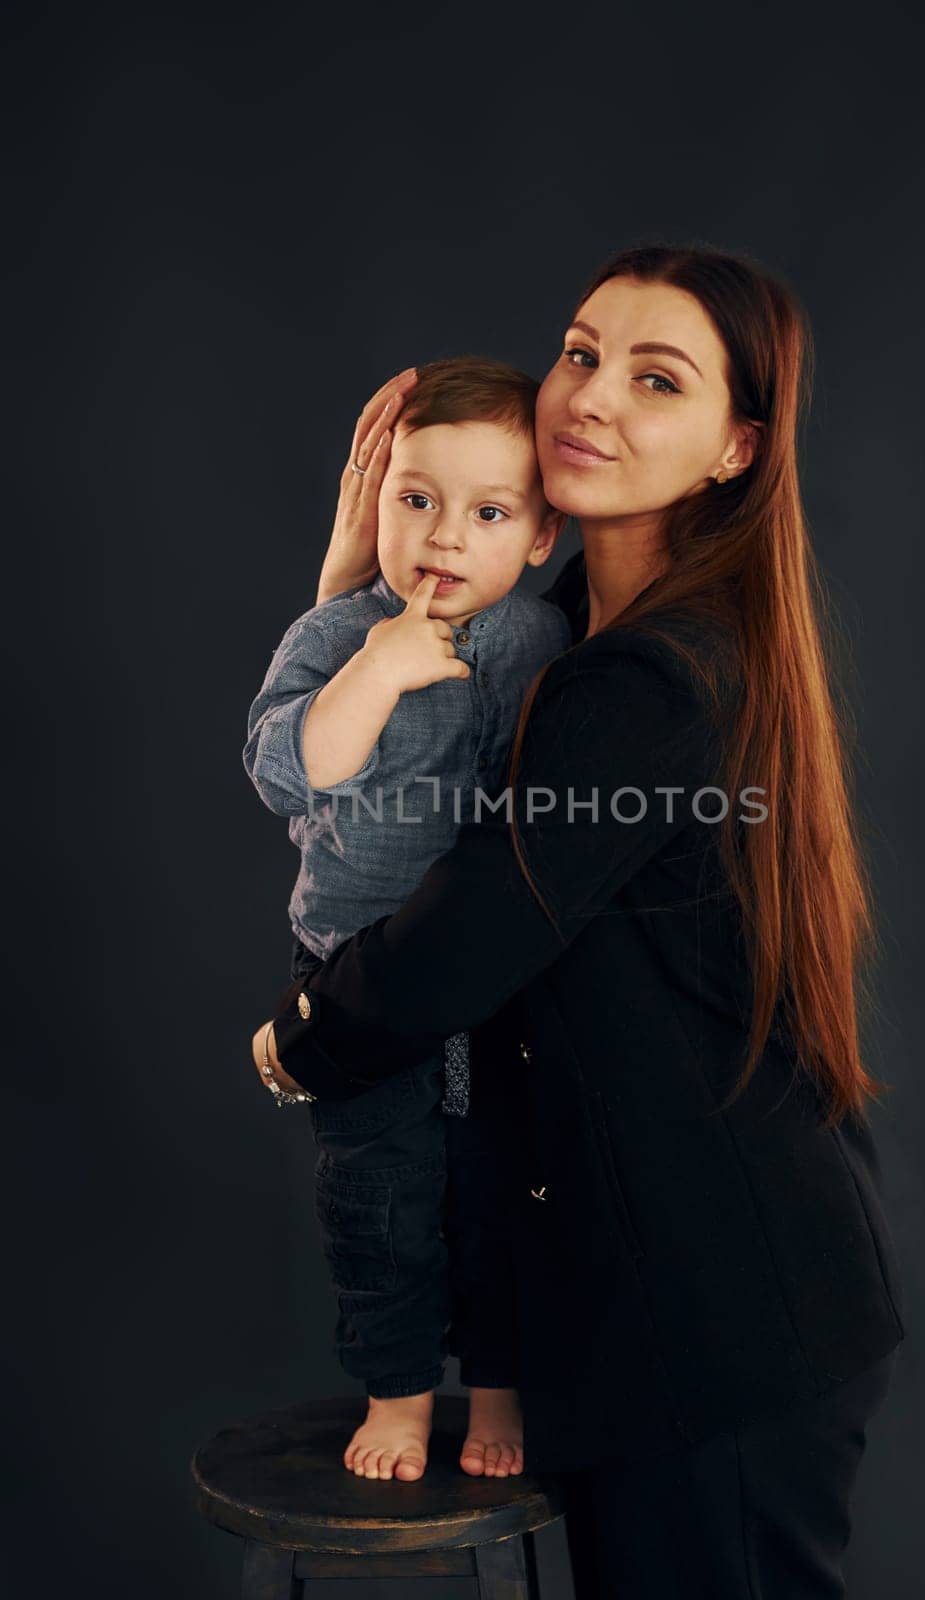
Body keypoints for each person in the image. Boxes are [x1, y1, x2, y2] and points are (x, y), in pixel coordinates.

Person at [250, 243, 908, 1598]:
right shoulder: (543, 637)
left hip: (719, 1317)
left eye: (652, 379)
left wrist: (293, 1044)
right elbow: (355, 778)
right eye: (579, 350)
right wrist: (351, 592)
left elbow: (460, 941)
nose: (588, 396)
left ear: (733, 448)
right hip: (642, 1315)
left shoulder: (649, 680)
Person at [243, 357, 570, 1483]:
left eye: (487, 512)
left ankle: (497, 1385)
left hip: (495, 979)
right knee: (379, 1199)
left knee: (499, 1186)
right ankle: (394, 1392)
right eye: (415, 499)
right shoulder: (335, 634)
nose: (442, 536)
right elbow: (290, 774)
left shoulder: (535, 642)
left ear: (537, 536)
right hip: (354, 973)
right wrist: (377, 669)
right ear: (373, 500)